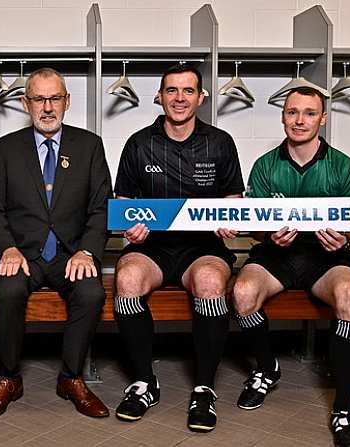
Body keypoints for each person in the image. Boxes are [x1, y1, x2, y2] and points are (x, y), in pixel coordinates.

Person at [232, 86, 350, 447]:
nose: (299, 120)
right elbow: (255, 227)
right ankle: (266, 368)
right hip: (277, 257)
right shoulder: (265, 165)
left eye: (309, 113)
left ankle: (344, 409)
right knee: (243, 291)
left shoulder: (343, 166)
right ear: (282, 117)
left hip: (326, 258)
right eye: (292, 112)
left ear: (322, 118)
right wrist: (268, 236)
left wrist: (345, 240)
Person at [112, 65, 244, 432]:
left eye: (188, 91)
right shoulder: (139, 143)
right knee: (127, 280)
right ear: (159, 96)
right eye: (171, 90)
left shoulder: (219, 142)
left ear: (201, 98)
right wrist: (129, 227)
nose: (179, 98)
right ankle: (143, 382)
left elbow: (233, 198)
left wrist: (228, 217)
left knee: (210, 284)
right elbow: (123, 203)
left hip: (202, 247)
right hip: (152, 245)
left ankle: (204, 388)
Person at [0, 67, 112, 420]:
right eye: (39, 99)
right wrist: (6, 247)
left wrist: (87, 250)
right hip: (22, 255)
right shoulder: (6, 149)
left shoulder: (89, 146)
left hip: (71, 255)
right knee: (6, 292)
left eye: (54, 98)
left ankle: (71, 377)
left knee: (91, 293)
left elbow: (102, 208)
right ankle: (9, 378)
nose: (47, 107)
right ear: (25, 103)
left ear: (67, 102)